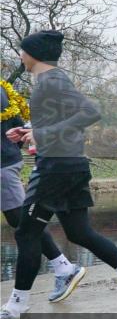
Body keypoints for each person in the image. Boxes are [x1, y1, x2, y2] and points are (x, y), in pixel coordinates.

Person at [2, 31, 117, 319]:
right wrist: (29, 130)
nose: (20, 55)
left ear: (34, 54)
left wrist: (43, 135)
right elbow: (63, 120)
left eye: (22, 50)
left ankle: (17, 308)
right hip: (69, 164)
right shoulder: (51, 81)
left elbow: (90, 113)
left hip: (56, 169)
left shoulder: (52, 80)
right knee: (78, 231)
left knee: (26, 232)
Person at [1, 86, 84, 303]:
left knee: (23, 222)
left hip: (2, 165)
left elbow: (13, 122)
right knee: (22, 221)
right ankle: (63, 267)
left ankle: (62, 268)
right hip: (6, 161)